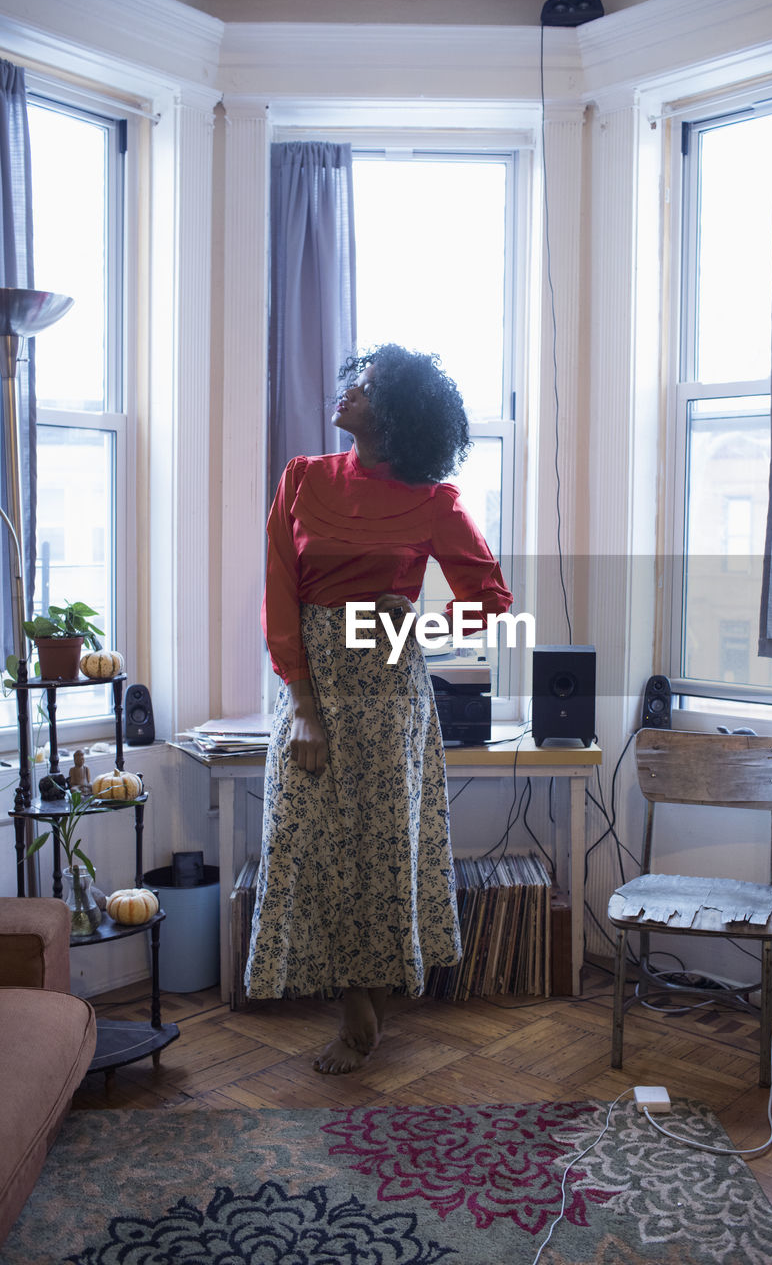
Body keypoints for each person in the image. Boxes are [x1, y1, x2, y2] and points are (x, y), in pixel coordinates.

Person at [245, 343, 512, 1074]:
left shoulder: (434, 503)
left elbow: (489, 600)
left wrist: (409, 627)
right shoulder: (303, 480)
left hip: (388, 695)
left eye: (364, 389)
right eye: (353, 384)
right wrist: (301, 704)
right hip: (311, 687)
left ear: (395, 416)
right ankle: (336, 987)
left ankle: (364, 1005)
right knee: (302, 840)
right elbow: (279, 596)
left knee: (381, 849)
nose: (347, 393)